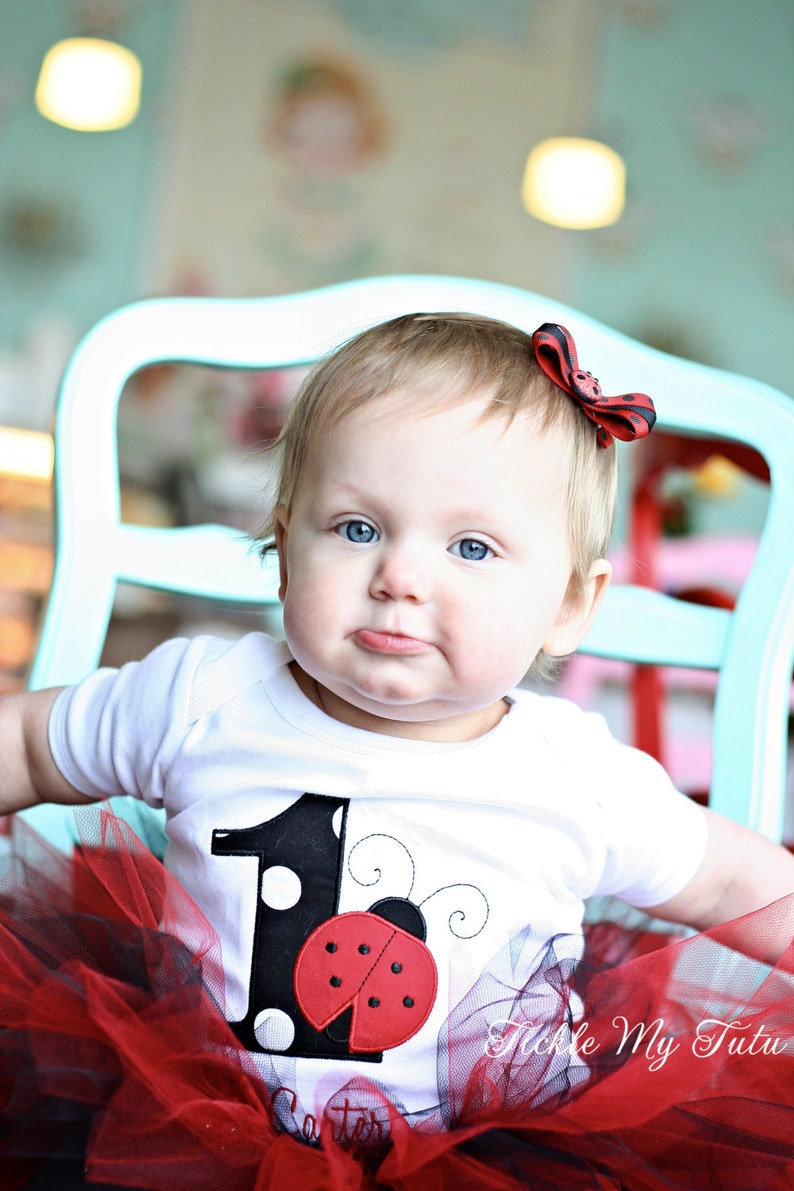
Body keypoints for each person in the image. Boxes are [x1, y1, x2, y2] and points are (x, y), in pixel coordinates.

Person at [1, 312, 794, 1189]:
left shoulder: (575, 773)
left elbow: (736, 882)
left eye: (471, 546)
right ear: (283, 550)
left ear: (572, 602)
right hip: (195, 1129)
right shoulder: (202, 698)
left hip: (497, 1156)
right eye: (356, 528)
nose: (401, 577)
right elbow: (34, 745)